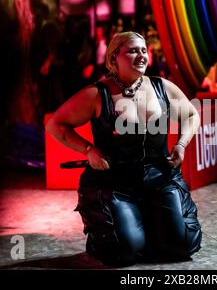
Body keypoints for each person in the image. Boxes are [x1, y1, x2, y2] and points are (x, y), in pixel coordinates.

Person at [46, 31, 202, 267]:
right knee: (122, 252)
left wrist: (181, 144)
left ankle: (147, 224)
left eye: (143, 50)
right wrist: (89, 149)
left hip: (160, 177)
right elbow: (55, 124)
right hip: (114, 182)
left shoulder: (162, 87)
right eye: (132, 50)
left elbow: (191, 114)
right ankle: (121, 229)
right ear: (113, 58)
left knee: (182, 245)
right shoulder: (97, 94)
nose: (141, 55)